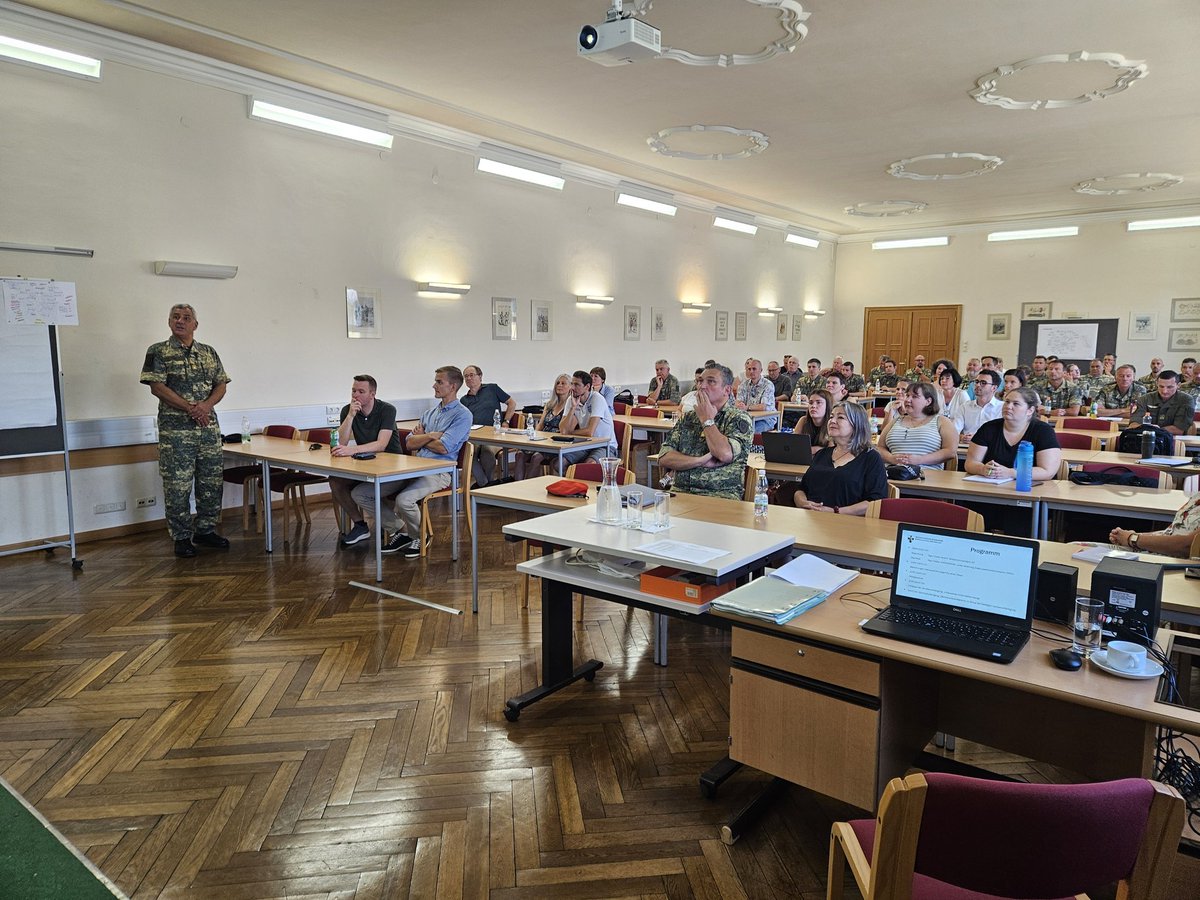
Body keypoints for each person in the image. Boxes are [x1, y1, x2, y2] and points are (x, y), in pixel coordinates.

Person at [140, 304, 231, 558]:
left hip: (208, 430)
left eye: (186, 318)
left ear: (195, 325)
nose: (180, 321)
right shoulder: (159, 351)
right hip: (176, 435)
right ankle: (181, 537)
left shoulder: (208, 352)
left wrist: (206, 406)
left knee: (211, 482)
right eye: (176, 317)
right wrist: (191, 408)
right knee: (177, 487)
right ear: (169, 322)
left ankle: (205, 530)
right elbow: (157, 386)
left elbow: (221, 384)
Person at [369, 366, 473, 558]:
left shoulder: (462, 414)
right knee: (363, 493)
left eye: (439, 382)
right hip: (416, 468)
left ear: (453, 386)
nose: (434, 385)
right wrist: (431, 436)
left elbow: (445, 448)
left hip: (440, 472)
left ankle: (420, 535)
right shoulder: (429, 413)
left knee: (403, 500)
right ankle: (400, 531)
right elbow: (409, 442)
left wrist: (422, 438)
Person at [964, 386, 1062, 536]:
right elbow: (970, 462)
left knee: (1018, 517)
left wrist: (1010, 473)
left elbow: (1047, 471)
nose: (1008, 406)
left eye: (1016, 404)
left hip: (1028, 494)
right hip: (990, 492)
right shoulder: (989, 428)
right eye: (1007, 402)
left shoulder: (1043, 431)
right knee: (968, 506)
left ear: (1030, 410)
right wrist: (983, 469)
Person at [330, 375, 405, 547]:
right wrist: (349, 417)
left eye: (361, 391)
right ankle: (360, 525)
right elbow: (341, 443)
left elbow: (381, 444)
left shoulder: (387, 410)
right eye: (353, 390)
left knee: (361, 492)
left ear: (372, 394)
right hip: (366, 465)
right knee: (336, 481)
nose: (355, 395)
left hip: (392, 468)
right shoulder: (347, 410)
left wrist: (352, 450)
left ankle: (398, 529)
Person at [658, 364, 752, 500]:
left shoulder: (738, 418)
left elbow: (724, 454)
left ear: (726, 390)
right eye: (700, 381)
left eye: (711, 381)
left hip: (719, 495)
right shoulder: (689, 417)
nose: (702, 386)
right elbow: (664, 457)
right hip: (680, 491)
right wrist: (699, 461)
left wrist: (707, 420)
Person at [784, 402, 888, 516]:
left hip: (849, 523)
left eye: (840, 417)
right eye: (831, 417)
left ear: (856, 425)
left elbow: (876, 502)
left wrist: (836, 511)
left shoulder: (871, 458)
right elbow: (801, 489)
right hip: (813, 519)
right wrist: (803, 503)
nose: (832, 421)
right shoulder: (822, 454)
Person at [878, 383, 958, 470]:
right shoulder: (896, 421)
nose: (908, 400)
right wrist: (891, 458)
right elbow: (880, 447)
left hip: (927, 476)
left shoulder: (942, 421)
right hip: (893, 473)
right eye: (907, 395)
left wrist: (920, 460)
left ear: (928, 401)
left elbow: (950, 452)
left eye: (914, 396)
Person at [461, 364, 515, 487]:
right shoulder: (464, 400)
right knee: (468, 453)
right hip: (474, 436)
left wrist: (506, 421)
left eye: (472, 375)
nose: (469, 378)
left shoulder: (492, 389)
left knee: (487, 452)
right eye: (466, 377)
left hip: (494, 435)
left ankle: (486, 483)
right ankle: (486, 484)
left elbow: (511, 403)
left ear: (480, 376)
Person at [516, 374, 571, 479]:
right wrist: (533, 437)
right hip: (542, 438)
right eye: (558, 383)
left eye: (563, 383)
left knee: (536, 457)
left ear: (570, 387)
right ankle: (516, 485)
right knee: (519, 454)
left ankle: (528, 487)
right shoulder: (550, 404)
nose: (559, 385)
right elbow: (540, 425)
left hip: (555, 441)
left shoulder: (570, 406)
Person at [1109, 494, 1200, 557]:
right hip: (1156, 554)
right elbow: (1171, 532)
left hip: (1173, 566)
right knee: (1096, 549)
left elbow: (1188, 545)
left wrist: (1133, 539)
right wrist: (1133, 536)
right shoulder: (1197, 496)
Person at [560, 369, 618, 464]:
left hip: (605, 445)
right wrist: (573, 408)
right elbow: (563, 430)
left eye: (577, 385)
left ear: (587, 386)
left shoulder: (597, 398)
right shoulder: (571, 399)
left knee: (589, 464)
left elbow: (589, 432)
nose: (572, 388)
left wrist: (570, 432)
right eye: (572, 384)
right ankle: (570, 478)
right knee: (559, 462)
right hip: (586, 444)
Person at [1131, 370, 1195, 435]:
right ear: (1156, 384)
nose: (1164, 391)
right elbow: (1133, 424)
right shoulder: (1145, 399)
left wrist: (1156, 429)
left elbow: (1179, 429)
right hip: (1146, 438)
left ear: (1178, 385)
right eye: (1161, 386)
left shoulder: (1186, 400)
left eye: (1170, 387)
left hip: (1174, 439)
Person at [959, 369, 1003, 443]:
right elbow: (954, 430)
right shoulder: (965, 407)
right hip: (965, 448)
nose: (978, 385)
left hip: (991, 450)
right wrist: (962, 437)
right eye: (976, 382)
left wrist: (977, 438)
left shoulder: (1002, 408)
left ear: (994, 388)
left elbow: (1003, 435)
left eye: (983, 383)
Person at [735, 358, 777, 432]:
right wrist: (740, 405)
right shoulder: (743, 385)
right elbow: (738, 402)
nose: (751, 371)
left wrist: (747, 407)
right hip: (748, 418)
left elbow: (763, 406)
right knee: (733, 430)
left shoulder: (768, 385)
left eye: (754, 369)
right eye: (749, 369)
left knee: (750, 432)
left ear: (761, 370)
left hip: (766, 419)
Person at [935, 367, 970, 432]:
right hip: (937, 429)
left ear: (954, 380)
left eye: (947, 378)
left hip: (958, 431)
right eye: (942, 378)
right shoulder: (936, 394)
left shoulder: (962, 394)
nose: (943, 380)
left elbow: (967, 416)